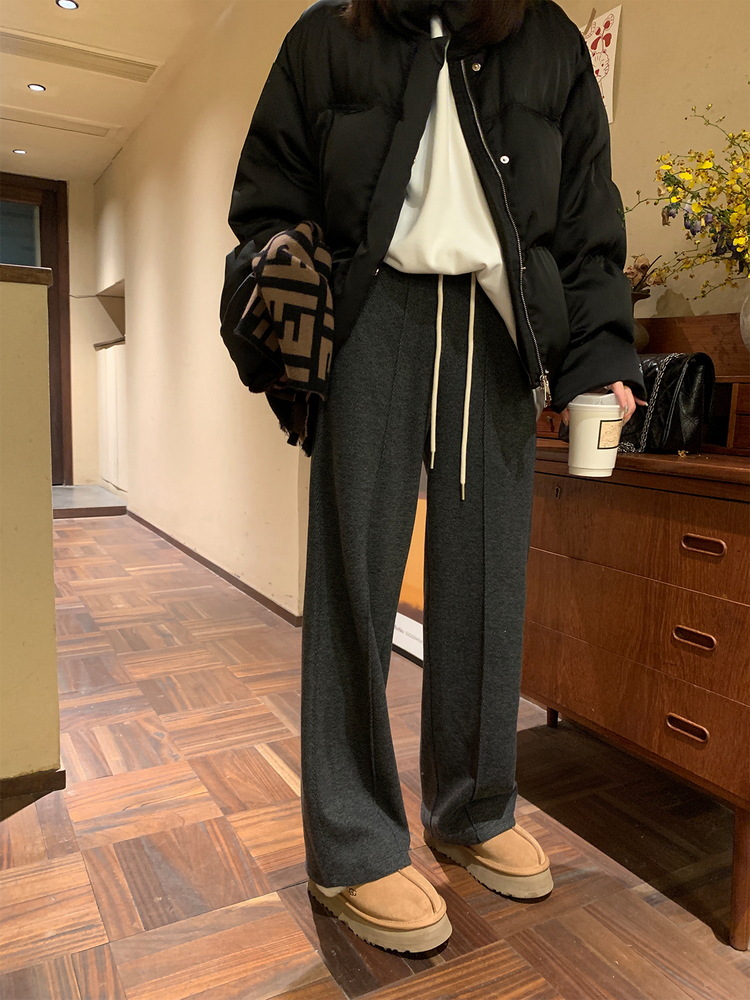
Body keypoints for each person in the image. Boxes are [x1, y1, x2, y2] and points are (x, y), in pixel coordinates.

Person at [221, 0, 648, 955]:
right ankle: (352, 848)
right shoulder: (330, 32)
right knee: (356, 579)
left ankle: (472, 808)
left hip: (500, 324)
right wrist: (284, 277)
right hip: (373, 313)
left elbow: (588, 214)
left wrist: (599, 355)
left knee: (489, 583)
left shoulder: (548, 40)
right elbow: (267, 193)